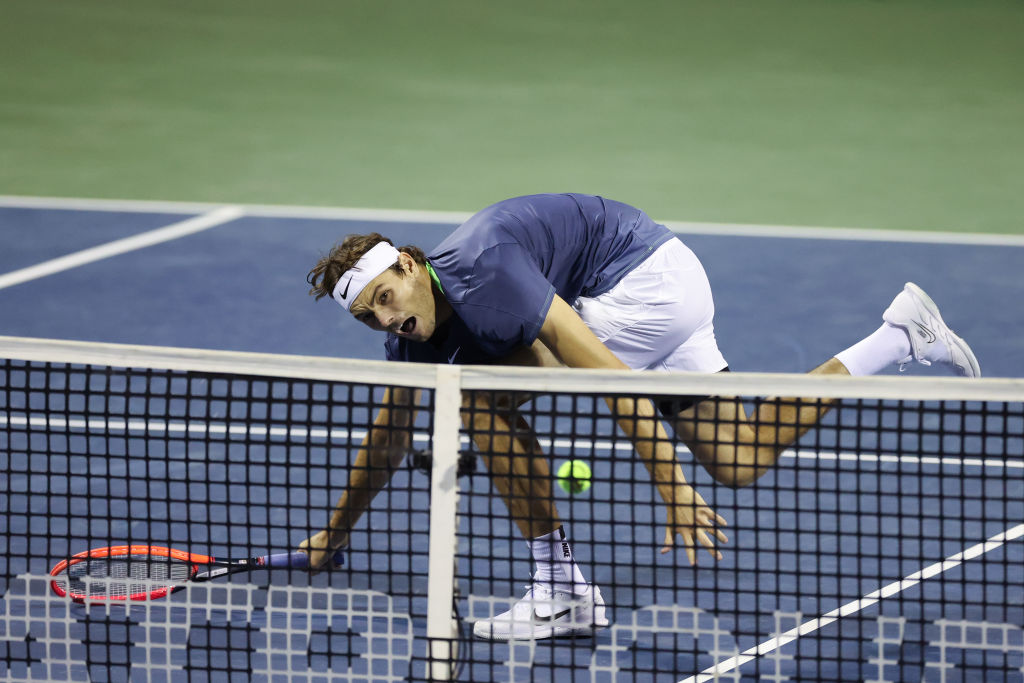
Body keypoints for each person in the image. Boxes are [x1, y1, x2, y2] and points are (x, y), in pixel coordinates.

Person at [298, 193, 979, 641]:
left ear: (410, 266)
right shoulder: (409, 340)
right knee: (738, 458)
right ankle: (900, 334)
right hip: (669, 277)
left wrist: (673, 489)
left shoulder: (488, 274)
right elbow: (386, 440)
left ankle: (560, 590)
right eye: (368, 316)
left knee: (479, 399)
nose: (386, 318)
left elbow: (612, 381)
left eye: (386, 296)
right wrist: (333, 533)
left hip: (642, 283)